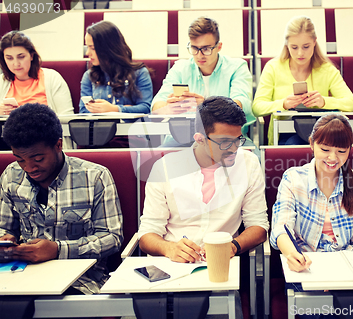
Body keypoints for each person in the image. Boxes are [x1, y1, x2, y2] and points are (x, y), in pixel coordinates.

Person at [0, 103, 123, 294]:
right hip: (21, 274)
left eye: (38, 159)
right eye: (20, 159)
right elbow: (5, 227)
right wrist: (6, 239)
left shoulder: (95, 176)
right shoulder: (11, 175)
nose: (29, 168)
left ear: (59, 144)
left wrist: (58, 250)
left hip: (80, 279)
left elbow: (112, 238)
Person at [138, 96, 268, 262]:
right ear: (199, 139)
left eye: (238, 139)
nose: (234, 148)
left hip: (223, 262)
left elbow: (258, 225)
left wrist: (234, 245)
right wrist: (169, 248)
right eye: (225, 142)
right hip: (172, 263)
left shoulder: (248, 163)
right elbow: (147, 234)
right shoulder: (163, 168)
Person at [270, 114, 353, 272]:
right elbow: (281, 228)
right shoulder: (293, 179)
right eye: (325, 149)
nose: (333, 158)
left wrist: (338, 273)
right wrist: (293, 254)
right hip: (306, 266)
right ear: (312, 143)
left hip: (348, 268)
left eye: (341, 151)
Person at [252, 16, 353, 145]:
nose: (300, 53)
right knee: (294, 144)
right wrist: (283, 104)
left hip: (321, 135)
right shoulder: (273, 67)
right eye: (294, 47)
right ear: (287, 45)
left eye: (306, 47)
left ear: (314, 42)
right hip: (283, 135)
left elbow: (352, 104)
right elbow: (257, 107)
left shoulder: (327, 69)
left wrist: (324, 101)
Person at [151, 17, 254, 145]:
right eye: (194, 48)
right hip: (183, 138)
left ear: (219, 46)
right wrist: (171, 108)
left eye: (206, 49)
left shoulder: (237, 67)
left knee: (253, 158)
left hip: (227, 137)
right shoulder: (180, 68)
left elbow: (241, 105)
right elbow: (156, 107)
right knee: (160, 160)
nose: (199, 55)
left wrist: (206, 106)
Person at [80, 21, 153, 114]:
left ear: (109, 48)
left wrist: (114, 109)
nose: (87, 53)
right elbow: (83, 112)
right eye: (87, 47)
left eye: (93, 48)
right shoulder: (89, 76)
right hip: (100, 127)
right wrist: (129, 109)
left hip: (130, 128)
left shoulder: (140, 72)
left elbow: (146, 108)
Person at [0, 31, 73, 116]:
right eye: (9, 58)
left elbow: (67, 118)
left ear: (31, 56)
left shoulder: (52, 78)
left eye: (21, 57)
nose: (16, 64)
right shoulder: (2, 81)